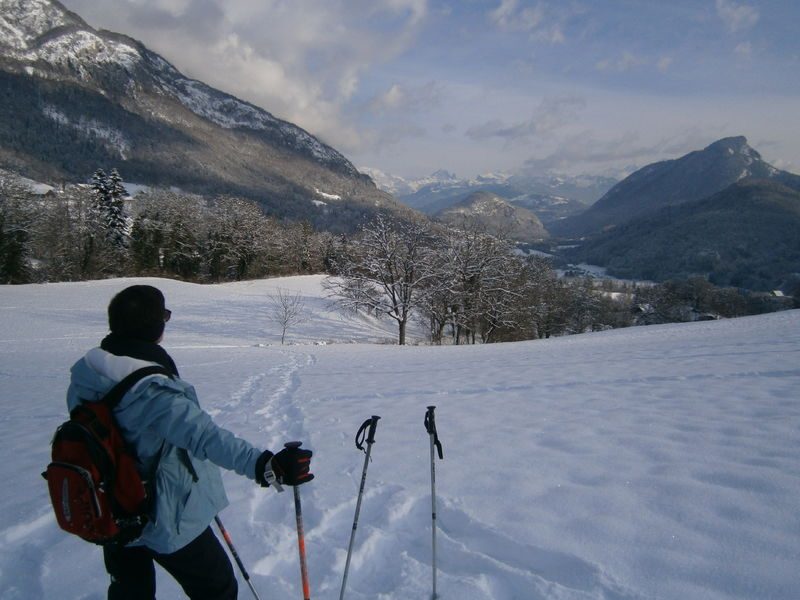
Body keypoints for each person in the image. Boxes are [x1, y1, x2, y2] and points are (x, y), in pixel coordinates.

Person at [66, 284, 313, 599]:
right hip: (163, 514)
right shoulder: (154, 393)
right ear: (156, 327)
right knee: (217, 587)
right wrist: (267, 465)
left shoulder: (86, 377)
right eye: (164, 316)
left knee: (130, 591)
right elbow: (206, 437)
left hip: (110, 506)